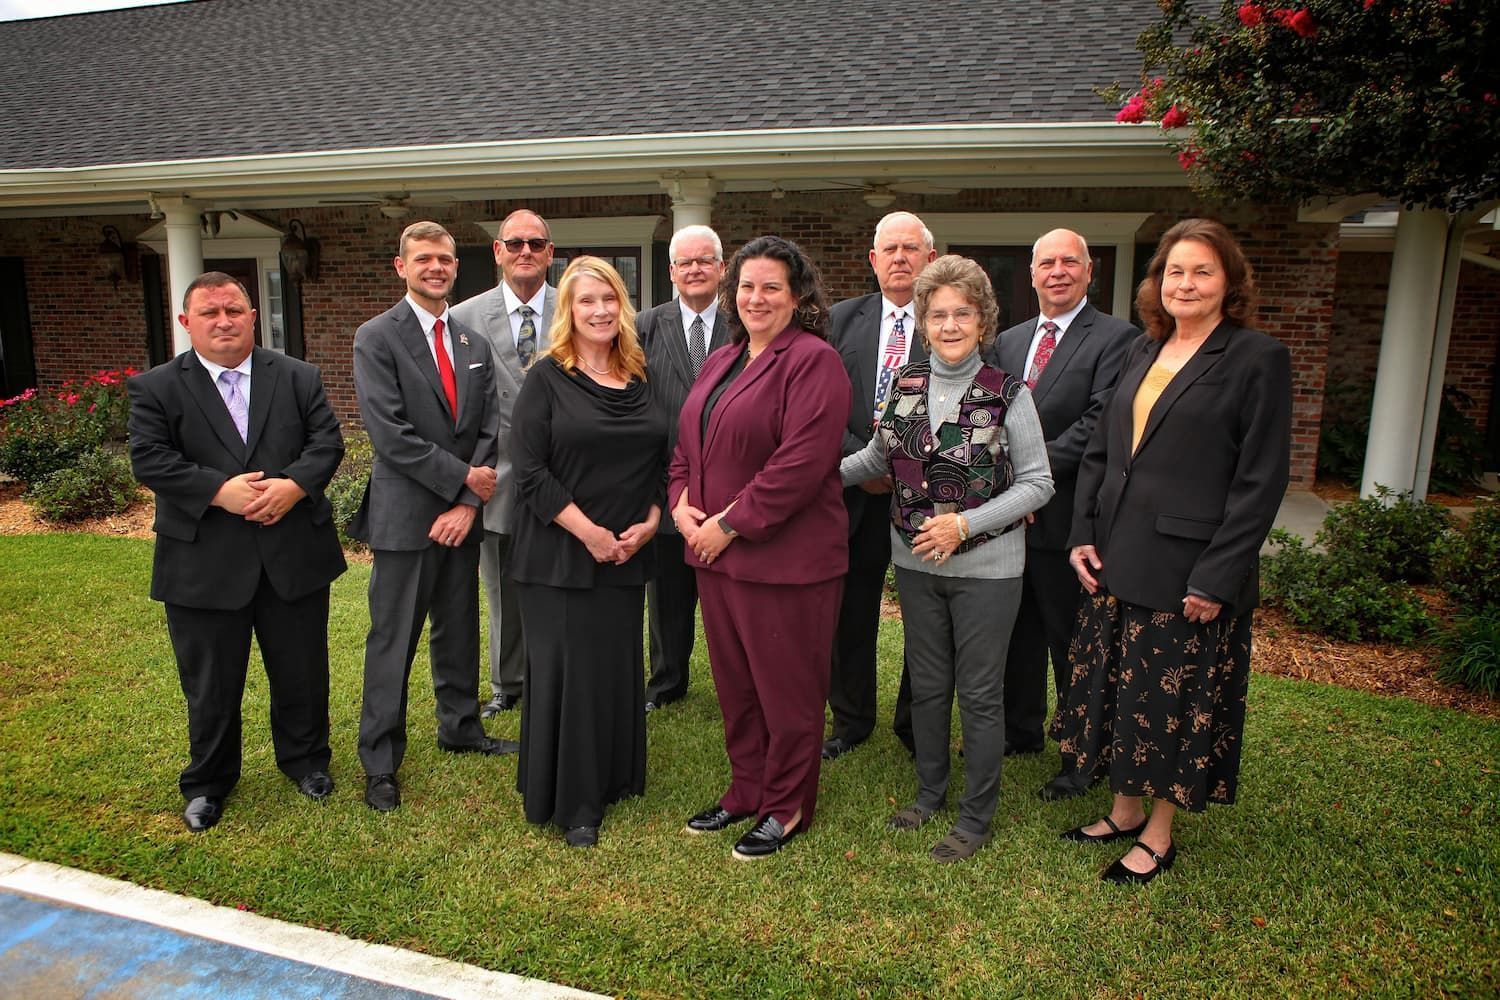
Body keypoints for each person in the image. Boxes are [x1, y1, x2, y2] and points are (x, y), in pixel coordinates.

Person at [1053, 218, 1291, 883]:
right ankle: (1124, 809)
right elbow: (1102, 453)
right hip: (1118, 557)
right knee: (1121, 694)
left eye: (1202, 271)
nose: (1185, 284)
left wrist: (1218, 576)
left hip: (1189, 570)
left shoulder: (1255, 358)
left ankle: (1158, 834)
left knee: (1169, 703)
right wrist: (1081, 536)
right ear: (1157, 283)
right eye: (1174, 272)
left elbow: (1260, 481)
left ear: (1230, 283)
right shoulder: (1143, 349)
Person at [840, 255, 1053, 862]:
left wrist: (964, 523)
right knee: (929, 685)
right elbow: (876, 460)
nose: (951, 324)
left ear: (983, 321)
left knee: (979, 693)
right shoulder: (904, 387)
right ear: (925, 322)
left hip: (988, 567)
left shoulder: (1008, 394)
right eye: (939, 314)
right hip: (914, 563)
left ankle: (976, 815)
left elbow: (1037, 484)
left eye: (963, 313)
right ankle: (930, 792)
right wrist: (805, 480)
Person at [128, 271, 346, 832]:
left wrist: (293, 485)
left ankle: (306, 761)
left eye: (234, 310)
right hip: (204, 560)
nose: (223, 321)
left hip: (291, 552)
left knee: (301, 670)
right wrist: (217, 491)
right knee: (211, 682)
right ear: (186, 323)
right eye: (210, 313)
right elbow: (149, 458)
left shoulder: (298, 377)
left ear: (253, 316)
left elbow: (327, 441)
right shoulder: (156, 388)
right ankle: (208, 781)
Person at [669, 235, 850, 860]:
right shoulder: (722, 360)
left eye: (771, 286)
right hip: (715, 560)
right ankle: (747, 788)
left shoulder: (814, 361)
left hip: (785, 563)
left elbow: (799, 464)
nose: (757, 297)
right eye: (746, 286)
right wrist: (680, 506)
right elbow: (685, 445)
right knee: (738, 687)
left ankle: (786, 805)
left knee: (787, 691)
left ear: (797, 296)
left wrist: (729, 523)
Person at [349, 220, 514, 815]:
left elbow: (490, 427)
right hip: (405, 519)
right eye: (424, 259)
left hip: (459, 519)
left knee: (457, 628)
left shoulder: (470, 341)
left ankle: (461, 726)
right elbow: (390, 434)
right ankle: (380, 760)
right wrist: (462, 482)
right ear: (402, 266)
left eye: (445, 258)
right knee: (393, 639)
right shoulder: (377, 337)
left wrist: (469, 504)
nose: (436, 267)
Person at [509, 256, 668, 848]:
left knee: (614, 668)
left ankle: (615, 776)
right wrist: (589, 533)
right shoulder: (545, 378)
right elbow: (529, 473)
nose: (599, 310)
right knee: (570, 676)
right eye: (585, 301)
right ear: (568, 312)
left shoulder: (641, 377)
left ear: (622, 306)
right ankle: (574, 802)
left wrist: (652, 521)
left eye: (609, 299)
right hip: (560, 557)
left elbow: (659, 464)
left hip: (626, 556)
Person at [984, 229, 1138, 800]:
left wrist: (1032, 481)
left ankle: (1079, 755)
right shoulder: (1009, 340)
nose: (1057, 271)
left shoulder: (1120, 339)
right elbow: (989, 417)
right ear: (1031, 274)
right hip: (1010, 519)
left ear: (1089, 270)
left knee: (1071, 642)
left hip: (1069, 517)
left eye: (1069, 261)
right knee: (1015, 634)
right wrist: (1005, 490)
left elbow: (1100, 422)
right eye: (1046, 262)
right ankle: (1019, 731)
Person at [825, 210, 937, 760]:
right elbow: (821, 404)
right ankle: (850, 720)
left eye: (910, 249)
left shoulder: (952, 321)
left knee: (925, 613)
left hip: (927, 501)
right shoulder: (839, 321)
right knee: (850, 611)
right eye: (889, 250)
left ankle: (916, 725)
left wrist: (902, 473)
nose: (899, 259)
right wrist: (862, 464)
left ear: (930, 260)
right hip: (852, 497)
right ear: (873, 261)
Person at [450, 209, 557, 719]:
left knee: (562, 583)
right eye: (514, 243)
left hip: (565, 477)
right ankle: (508, 682)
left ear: (550, 252)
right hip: (498, 479)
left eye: (535, 243)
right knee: (502, 587)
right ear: (497, 251)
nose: (525, 252)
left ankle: (557, 674)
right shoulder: (464, 318)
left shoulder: (578, 307)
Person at [638, 224, 729, 711]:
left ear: (721, 268)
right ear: (671, 271)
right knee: (668, 598)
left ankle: (734, 682)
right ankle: (667, 682)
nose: (695, 269)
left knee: (730, 599)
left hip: (730, 490)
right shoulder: (644, 325)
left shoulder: (744, 325)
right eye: (684, 262)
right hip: (667, 486)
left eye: (704, 260)